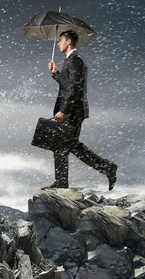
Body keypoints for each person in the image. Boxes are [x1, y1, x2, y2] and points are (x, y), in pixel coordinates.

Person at [42, 30, 117, 190]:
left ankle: (63, 181)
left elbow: (75, 88)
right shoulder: (70, 60)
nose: (58, 43)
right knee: (69, 145)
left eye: (60, 40)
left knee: (62, 145)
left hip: (74, 111)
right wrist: (55, 73)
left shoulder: (76, 60)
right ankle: (106, 167)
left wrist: (64, 110)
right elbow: (68, 85)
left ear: (69, 41)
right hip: (73, 109)